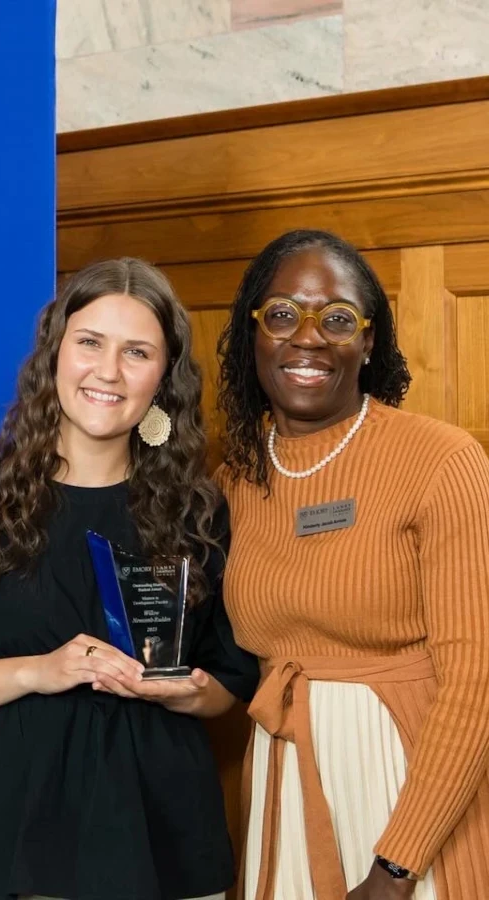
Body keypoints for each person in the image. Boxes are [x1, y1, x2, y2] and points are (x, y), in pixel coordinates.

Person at [0, 258, 260, 900]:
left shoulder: (200, 511)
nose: (108, 371)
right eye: (90, 343)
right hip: (20, 842)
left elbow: (229, 689)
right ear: (55, 354)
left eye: (137, 352)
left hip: (166, 843)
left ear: (164, 379)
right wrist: (39, 671)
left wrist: (178, 691)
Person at [214, 229, 489, 900]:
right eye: (282, 314)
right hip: (284, 785)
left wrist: (397, 867)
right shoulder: (233, 481)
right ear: (253, 334)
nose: (307, 338)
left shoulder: (442, 461)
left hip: (411, 798)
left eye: (337, 318)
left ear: (369, 341)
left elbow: (476, 681)